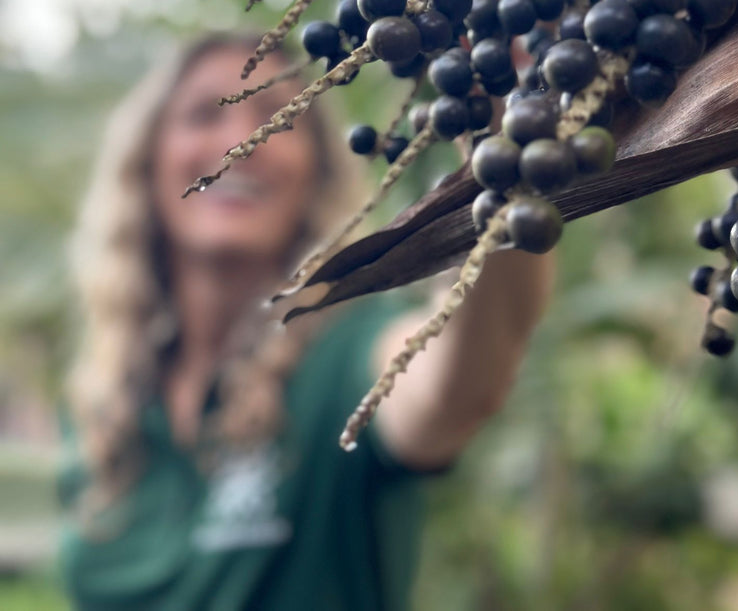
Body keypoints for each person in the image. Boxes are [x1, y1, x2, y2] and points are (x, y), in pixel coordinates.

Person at [58, 32, 554, 611]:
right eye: (201, 114)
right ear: (146, 166)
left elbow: (458, 389)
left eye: (276, 115)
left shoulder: (344, 352)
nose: (243, 140)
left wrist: (504, 141)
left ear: (315, 172)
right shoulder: (108, 401)